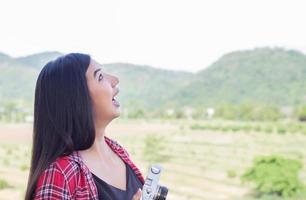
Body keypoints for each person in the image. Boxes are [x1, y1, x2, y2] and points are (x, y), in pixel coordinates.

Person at [25, 53, 144, 200]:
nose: (114, 80)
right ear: (77, 99)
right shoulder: (60, 173)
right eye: (100, 76)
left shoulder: (118, 151)